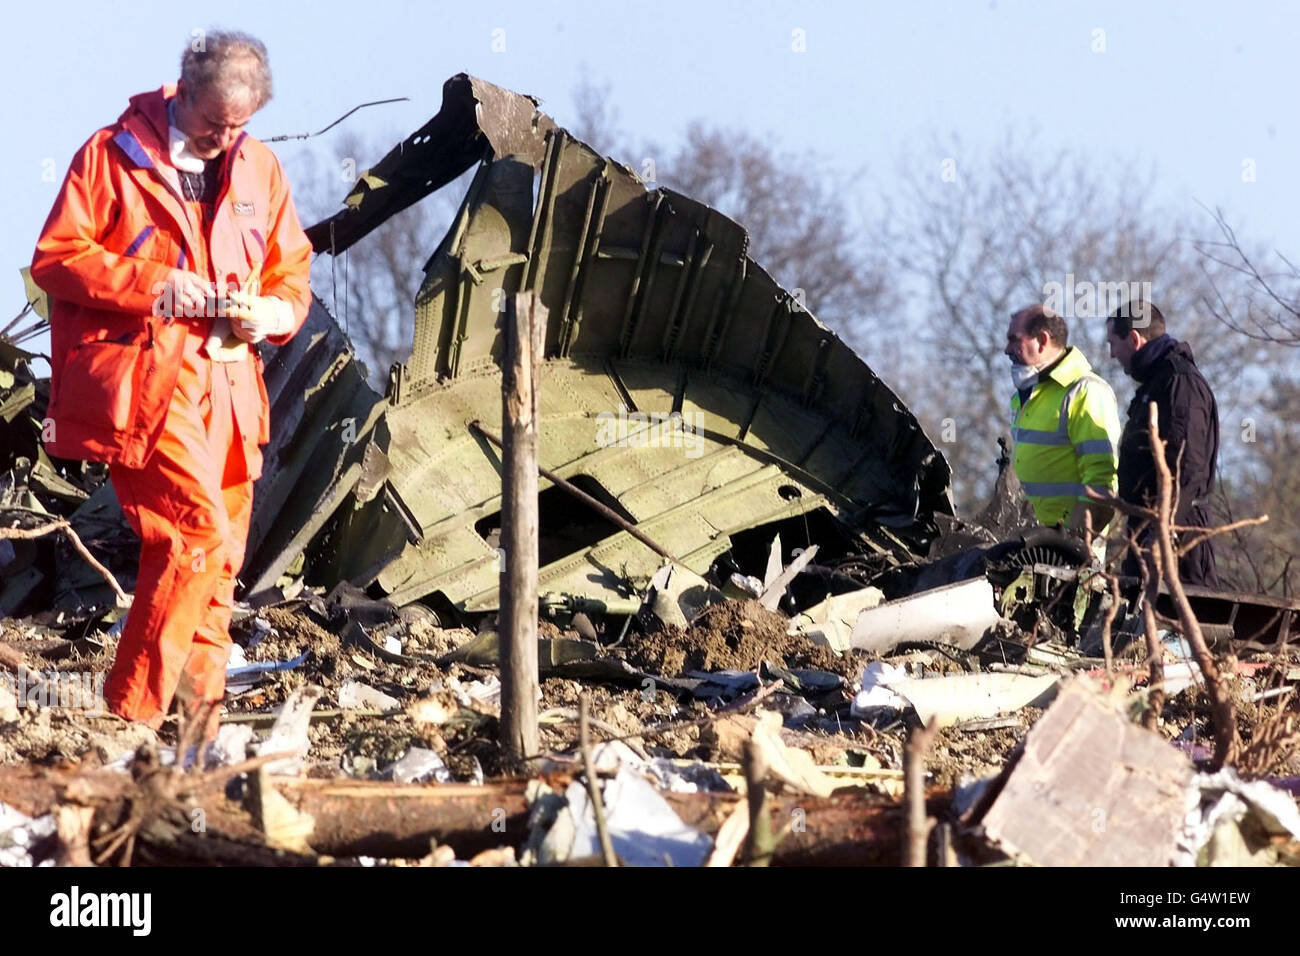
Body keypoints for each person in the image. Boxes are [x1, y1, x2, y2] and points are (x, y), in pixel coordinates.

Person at [30, 31, 312, 736]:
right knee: (192, 535)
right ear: (181, 91)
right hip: (148, 385)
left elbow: (291, 273)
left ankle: (195, 739)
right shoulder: (109, 156)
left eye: (238, 125)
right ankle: (131, 715)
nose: (224, 138)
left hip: (233, 392)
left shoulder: (261, 170)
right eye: (213, 121)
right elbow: (58, 259)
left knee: (219, 568)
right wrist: (159, 286)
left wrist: (272, 314)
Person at [1106, 300, 1220, 586]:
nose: (1111, 354)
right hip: (1146, 532)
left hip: (1179, 539)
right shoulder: (1157, 382)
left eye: (1113, 344)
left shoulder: (1180, 384)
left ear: (1134, 339)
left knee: (1174, 627)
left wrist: (1163, 531)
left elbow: (1188, 467)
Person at [1005, 305, 1122, 547]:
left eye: (1014, 341)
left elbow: (1101, 483)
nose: (1007, 350)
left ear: (1042, 340)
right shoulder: (1028, 396)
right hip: (1031, 550)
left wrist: (1071, 546)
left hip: (1068, 560)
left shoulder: (1085, 391)